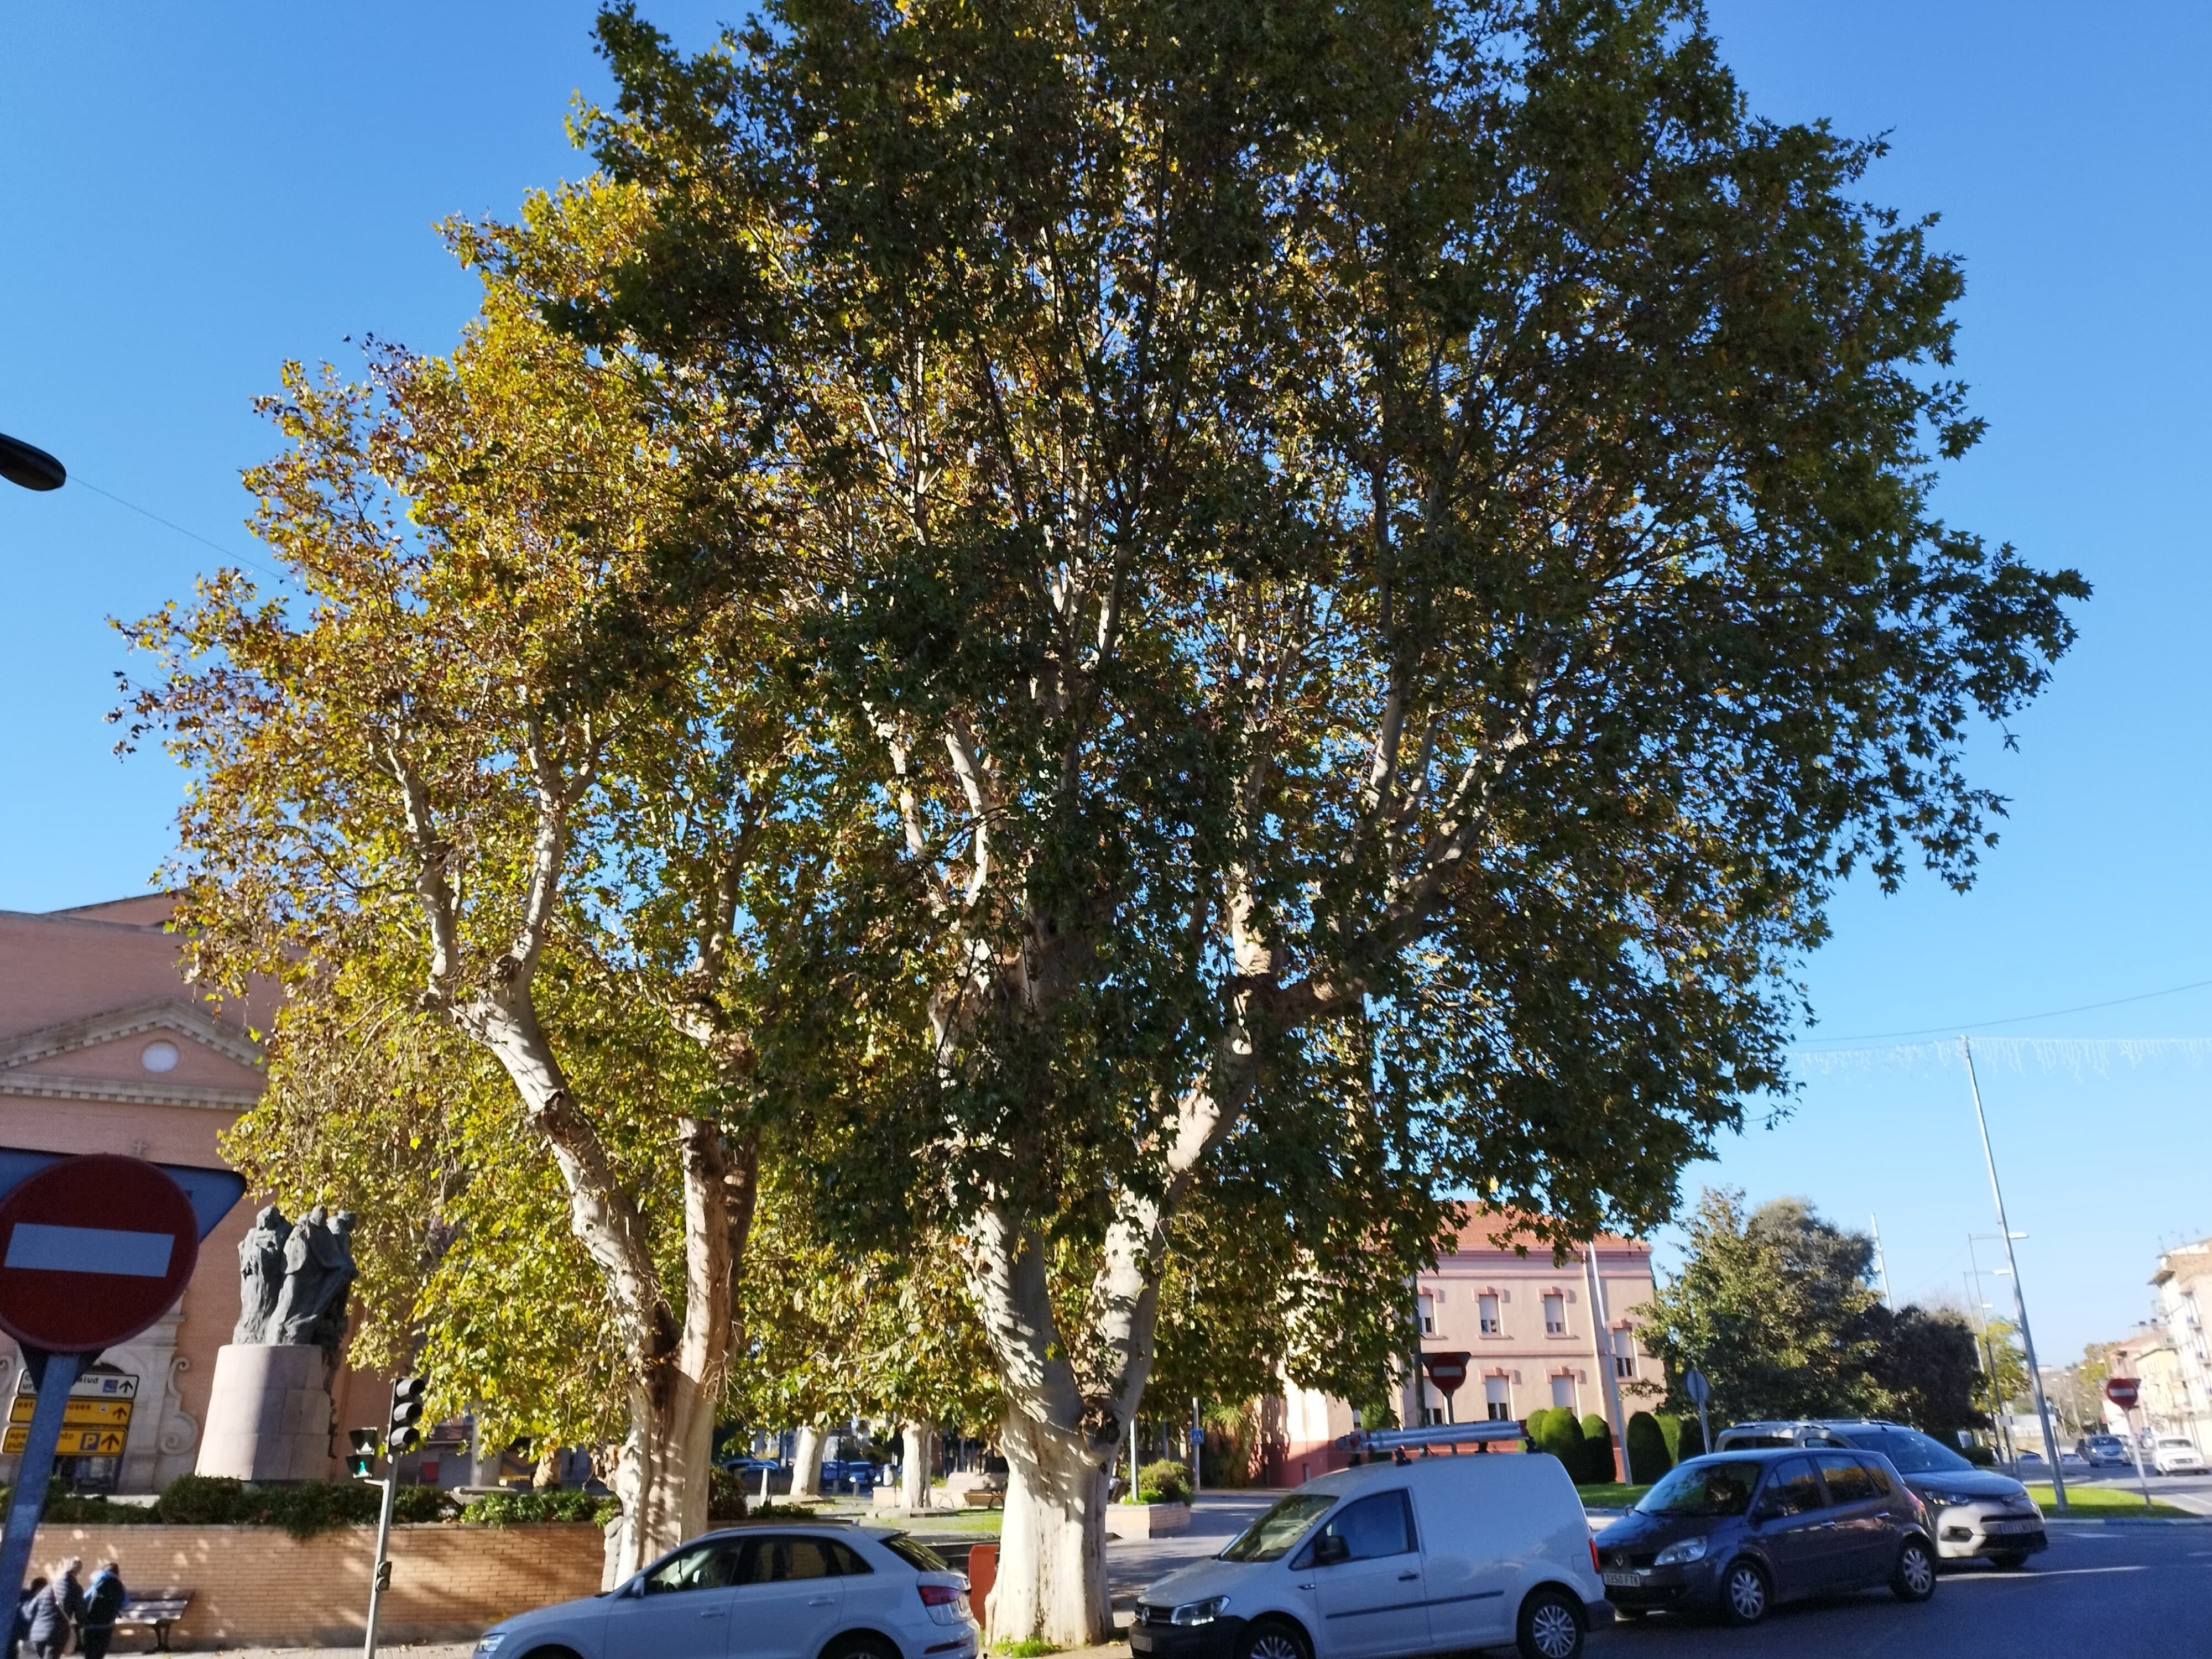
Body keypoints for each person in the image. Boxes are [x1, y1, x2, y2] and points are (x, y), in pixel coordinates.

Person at [79, 1566, 124, 1659]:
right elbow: (125, 1602)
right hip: (107, 1626)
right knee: (99, 1654)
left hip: (90, 1625)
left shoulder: (97, 1583)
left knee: (89, 1654)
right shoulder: (119, 1585)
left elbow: (84, 1599)